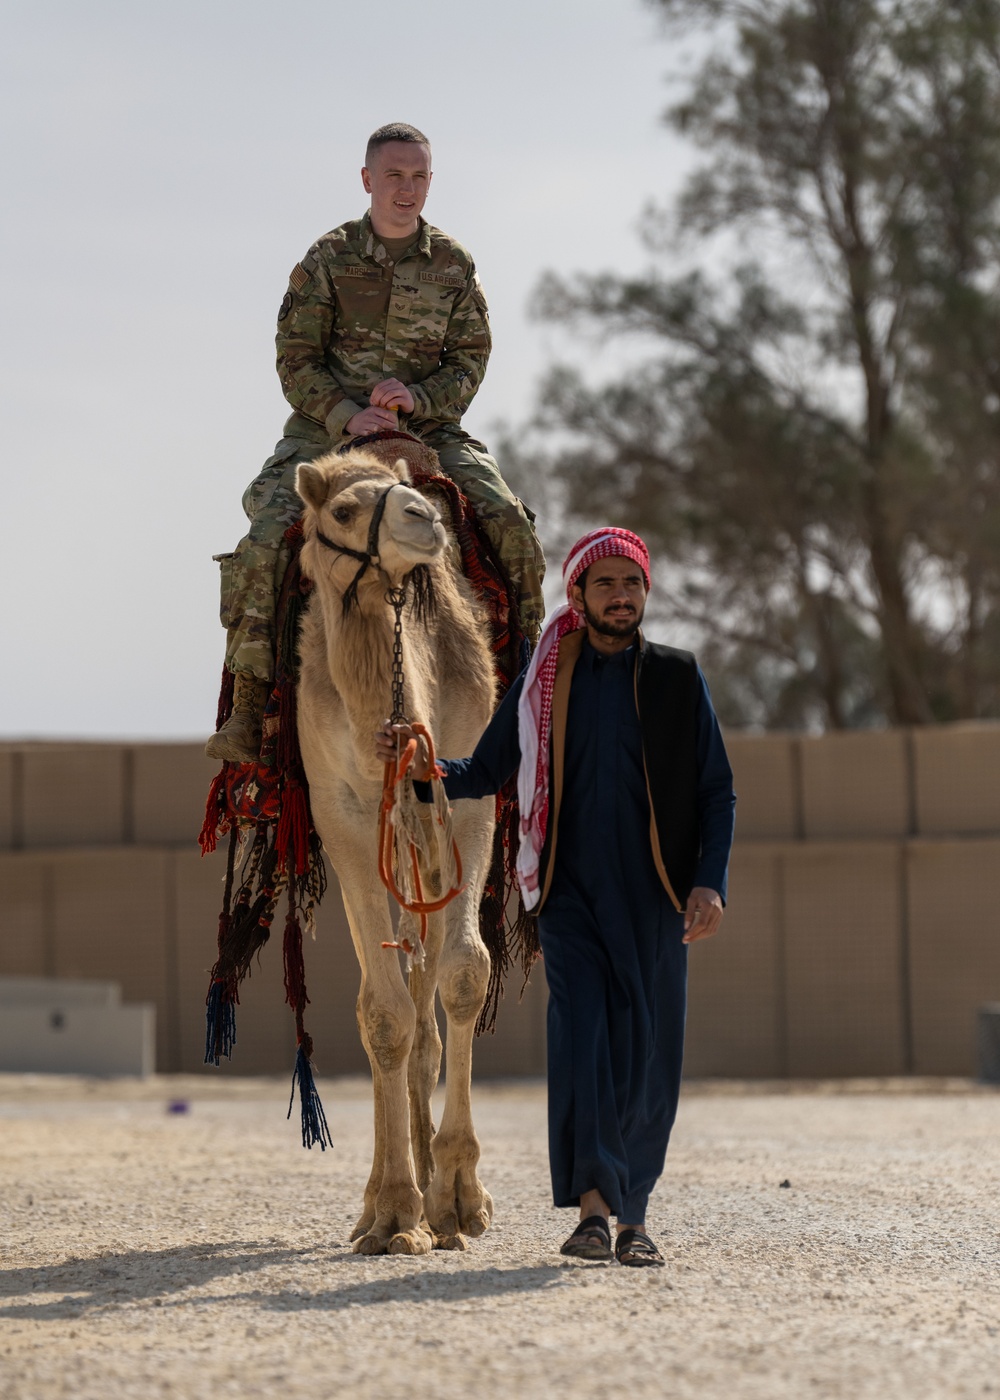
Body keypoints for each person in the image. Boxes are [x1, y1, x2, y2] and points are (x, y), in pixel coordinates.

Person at [376, 528, 736, 1267]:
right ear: (578, 596)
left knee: (647, 1055)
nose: (621, 597)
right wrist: (421, 766)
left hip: (656, 895)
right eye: (606, 585)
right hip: (567, 894)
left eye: (632, 584)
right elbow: (486, 770)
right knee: (583, 1044)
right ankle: (595, 1213)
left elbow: (716, 791)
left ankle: (636, 1217)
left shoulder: (677, 677)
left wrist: (710, 881)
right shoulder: (545, 682)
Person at [207, 121, 545, 761]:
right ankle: (250, 706)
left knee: (510, 525)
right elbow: (294, 358)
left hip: (430, 430)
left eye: (418, 176)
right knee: (265, 538)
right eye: (394, 175)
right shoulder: (328, 259)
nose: (406, 189)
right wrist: (346, 414)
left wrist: (419, 400)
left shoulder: (453, 265)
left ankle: (531, 688)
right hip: (324, 434)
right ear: (367, 180)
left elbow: (470, 360)